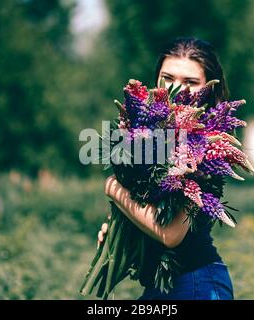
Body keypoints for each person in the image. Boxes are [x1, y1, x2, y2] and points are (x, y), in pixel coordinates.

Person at [98, 37, 234, 300]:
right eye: (168, 78)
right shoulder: (153, 136)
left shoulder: (205, 145)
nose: (177, 89)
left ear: (209, 89)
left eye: (191, 82)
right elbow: (150, 211)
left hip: (196, 285)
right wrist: (121, 228)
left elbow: (171, 234)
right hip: (165, 287)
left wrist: (113, 188)